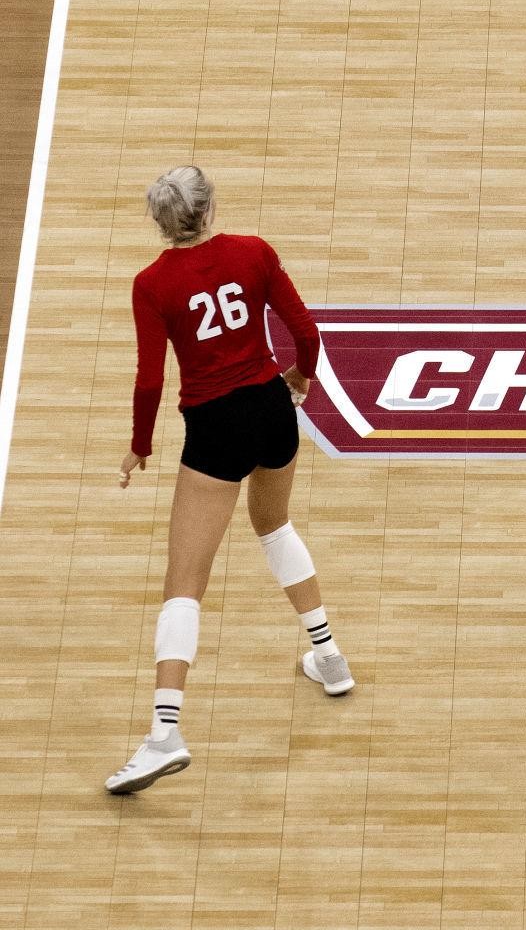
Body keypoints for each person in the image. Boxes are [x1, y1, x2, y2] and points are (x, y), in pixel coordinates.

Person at [106, 166, 353, 794]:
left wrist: (139, 446)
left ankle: (165, 733)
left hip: (215, 427)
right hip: (272, 409)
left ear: (160, 222)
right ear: (209, 207)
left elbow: (150, 380)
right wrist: (301, 378)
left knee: (184, 583)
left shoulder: (152, 284)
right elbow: (306, 332)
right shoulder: (253, 252)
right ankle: (328, 656)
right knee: (275, 527)